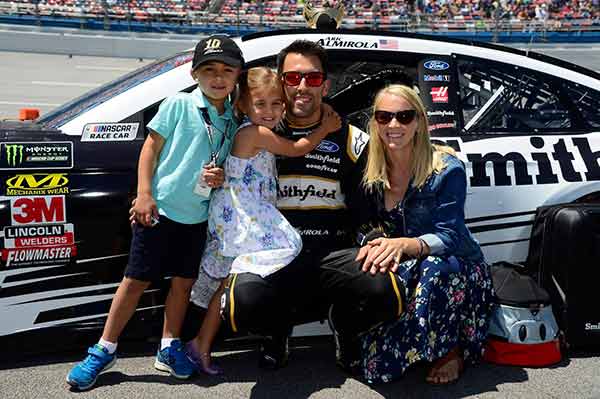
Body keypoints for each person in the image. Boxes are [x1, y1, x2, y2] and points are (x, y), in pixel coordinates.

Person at [66, 34, 244, 391]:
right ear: (195, 74)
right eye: (209, 69)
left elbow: (222, 167)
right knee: (135, 281)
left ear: (237, 75)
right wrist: (144, 194)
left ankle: (168, 346)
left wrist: (220, 175)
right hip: (160, 211)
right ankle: (105, 348)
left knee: (182, 285)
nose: (218, 77)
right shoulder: (179, 104)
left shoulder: (232, 121)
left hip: (197, 218)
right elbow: (150, 149)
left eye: (227, 70)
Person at [213, 40, 404, 371]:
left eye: (313, 79)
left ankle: (345, 327)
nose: (302, 87)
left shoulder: (352, 138)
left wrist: (376, 242)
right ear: (280, 81)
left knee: (386, 289)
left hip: (331, 254)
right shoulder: (256, 130)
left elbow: (364, 211)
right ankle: (276, 332)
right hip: (275, 254)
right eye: (293, 78)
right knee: (240, 301)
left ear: (325, 85)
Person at [185, 66, 341, 374]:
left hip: (239, 214)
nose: (270, 111)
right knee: (285, 247)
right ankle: (199, 342)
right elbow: (298, 148)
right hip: (244, 216)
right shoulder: (255, 133)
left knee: (221, 285)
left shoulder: (248, 128)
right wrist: (325, 127)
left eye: (276, 103)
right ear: (243, 105)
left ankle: (198, 344)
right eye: (261, 104)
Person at [350, 84, 494, 384]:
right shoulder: (369, 167)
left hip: (455, 266)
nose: (393, 125)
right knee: (377, 370)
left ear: (419, 122)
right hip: (404, 263)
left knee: (434, 267)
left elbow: (451, 237)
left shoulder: (446, 169)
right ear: (374, 122)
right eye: (384, 117)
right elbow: (363, 223)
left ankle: (450, 352)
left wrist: (405, 245)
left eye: (404, 116)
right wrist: (374, 244)